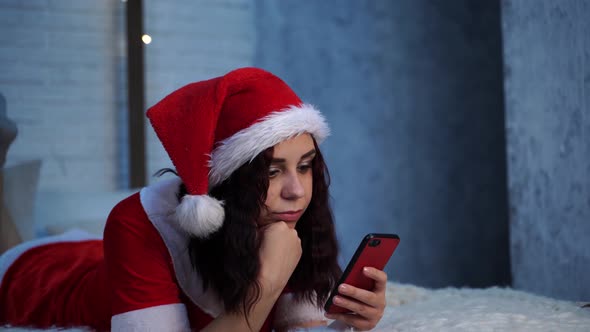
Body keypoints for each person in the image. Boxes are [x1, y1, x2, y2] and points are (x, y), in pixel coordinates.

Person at [0, 67, 388, 331]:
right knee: (8, 246)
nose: (297, 191)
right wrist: (267, 283)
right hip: (44, 278)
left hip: (99, 254)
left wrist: (352, 323)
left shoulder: (286, 220)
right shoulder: (137, 222)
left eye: (304, 166)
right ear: (230, 180)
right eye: (271, 172)